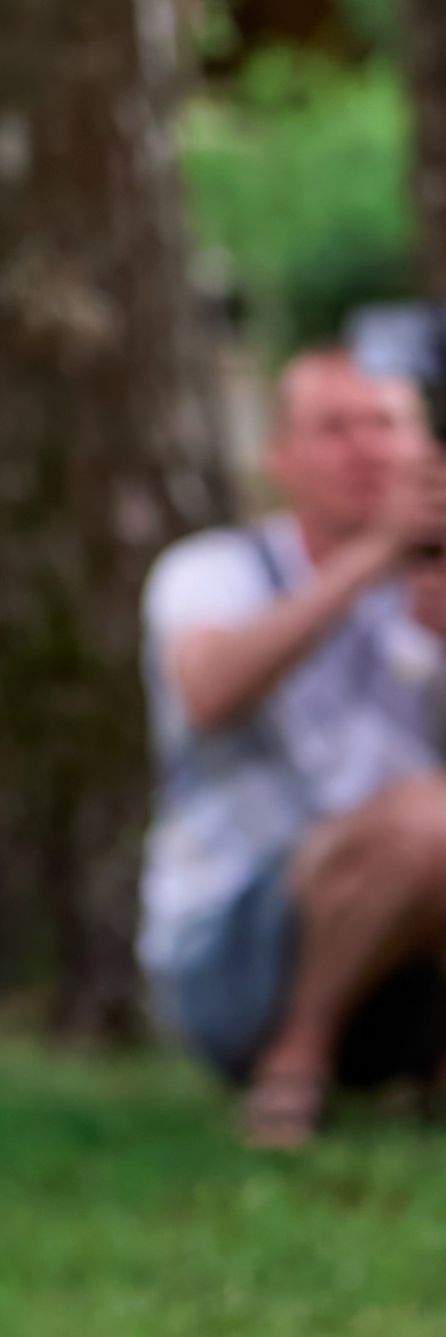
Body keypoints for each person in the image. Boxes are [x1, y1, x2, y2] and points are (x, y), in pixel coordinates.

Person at [141, 347, 446, 1147]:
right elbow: (209, 689)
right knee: (426, 818)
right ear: (279, 458)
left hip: (411, 949)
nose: (365, 448)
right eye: (333, 428)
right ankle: (295, 1061)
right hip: (238, 950)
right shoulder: (213, 570)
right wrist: (370, 558)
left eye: (385, 424)